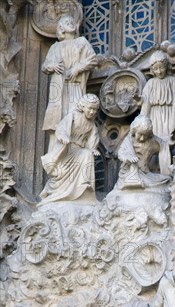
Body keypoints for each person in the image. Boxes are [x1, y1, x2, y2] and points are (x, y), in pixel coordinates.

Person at [42, 15, 97, 149]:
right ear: (61, 28)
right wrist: (52, 65)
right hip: (58, 90)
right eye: (66, 22)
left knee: (75, 118)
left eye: (72, 22)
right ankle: (54, 154)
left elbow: (93, 60)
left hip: (75, 86)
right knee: (56, 120)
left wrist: (78, 68)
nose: (70, 23)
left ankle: (74, 151)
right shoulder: (55, 47)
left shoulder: (81, 42)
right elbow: (45, 66)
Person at [39, 94, 100, 205]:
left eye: (95, 110)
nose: (92, 112)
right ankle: (60, 191)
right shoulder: (73, 116)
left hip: (80, 151)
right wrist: (64, 137)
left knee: (87, 155)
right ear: (83, 107)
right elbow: (61, 129)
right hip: (67, 150)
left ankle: (83, 186)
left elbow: (93, 140)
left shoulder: (92, 125)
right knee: (84, 155)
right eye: (90, 108)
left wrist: (93, 149)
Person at [140, 51, 175, 175]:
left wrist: (174, 123)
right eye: (155, 69)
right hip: (154, 117)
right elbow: (146, 103)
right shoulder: (150, 83)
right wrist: (142, 122)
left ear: (166, 66)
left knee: (166, 144)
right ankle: (150, 173)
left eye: (161, 67)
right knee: (153, 144)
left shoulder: (172, 81)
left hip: (168, 116)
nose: (159, 71)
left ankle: (166, 174)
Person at [116, 115, 171, 190]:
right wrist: (128, 157)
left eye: (145, 135)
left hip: (146, 174)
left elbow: (164, 146)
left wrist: (171, 141)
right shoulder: (129, 140)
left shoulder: (151, 140)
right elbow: (121, 153)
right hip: (130, 173)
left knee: (167, 180)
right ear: (134, 131)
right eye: (140, 134)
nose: (142, 138)